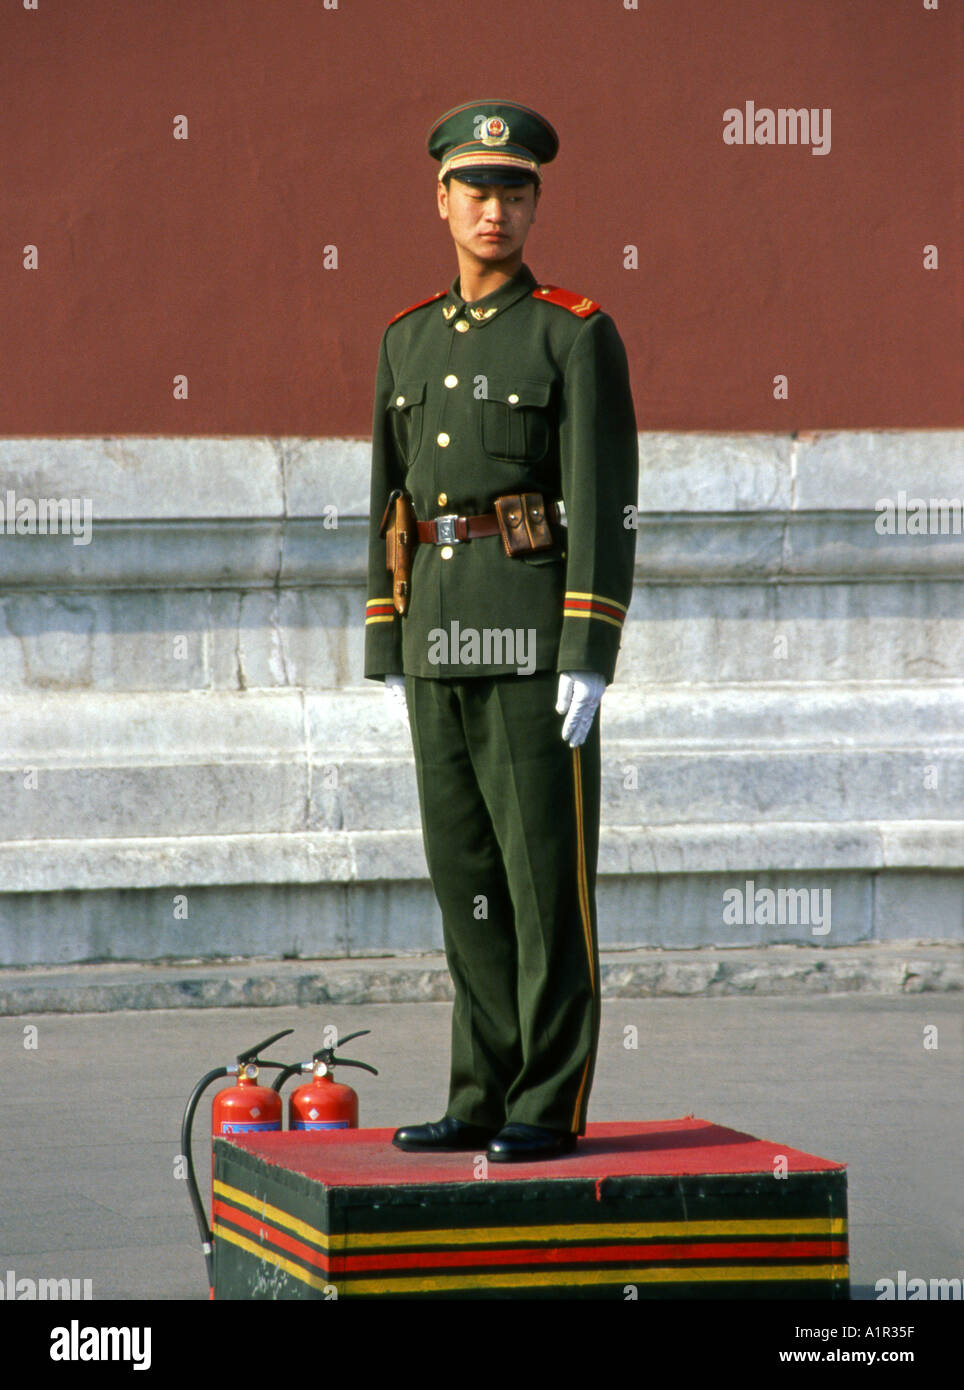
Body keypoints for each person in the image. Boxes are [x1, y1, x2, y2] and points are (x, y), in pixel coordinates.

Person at [364, 99, 638, 1161]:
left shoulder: (572, 331)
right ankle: (477, 1090)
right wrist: (388, 638)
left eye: (513, 190)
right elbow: (387, 499)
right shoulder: (405, 339)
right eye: (475, 189)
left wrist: (588, 652)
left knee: (542, 878)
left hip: (531, 646)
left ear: (535, 203)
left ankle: (545, 1098)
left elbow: (606, 501)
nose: (494, 208)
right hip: (436, 638)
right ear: (440, 199)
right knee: (465, 874)